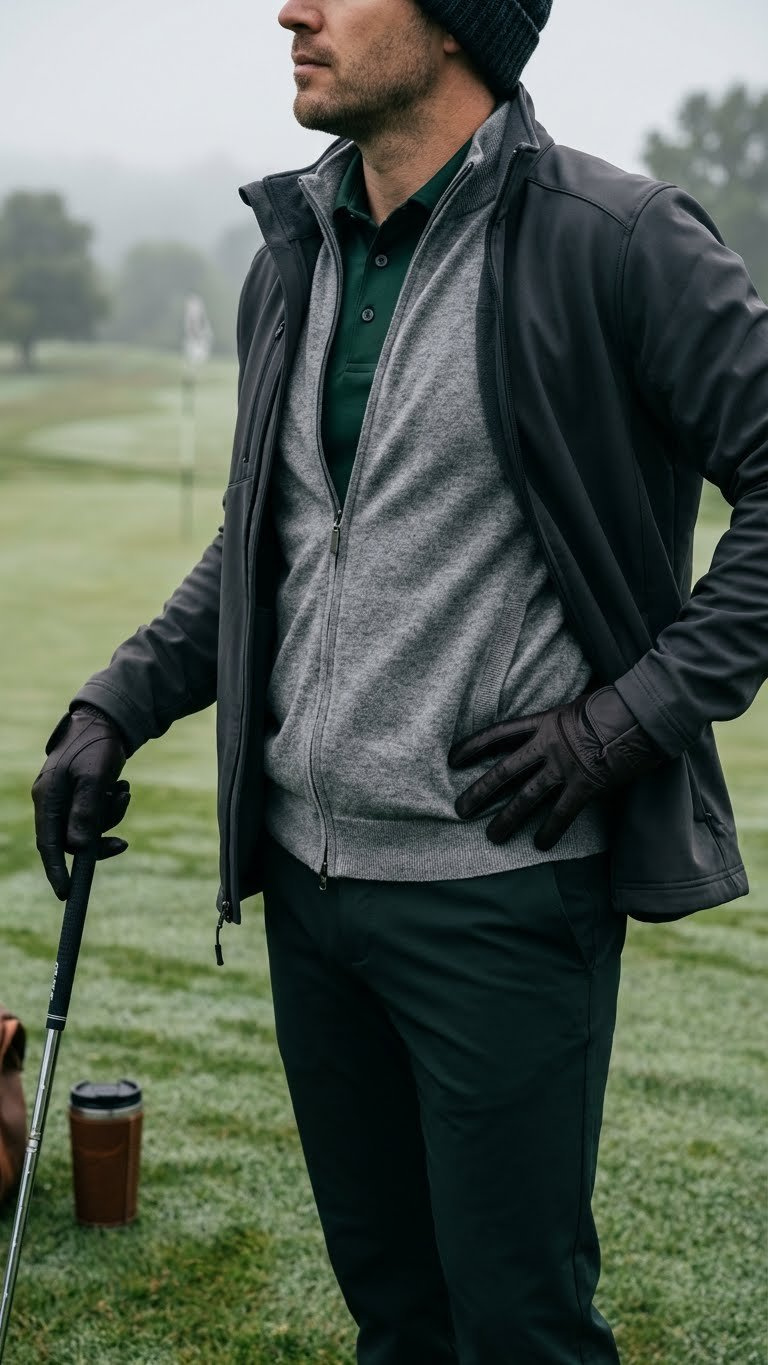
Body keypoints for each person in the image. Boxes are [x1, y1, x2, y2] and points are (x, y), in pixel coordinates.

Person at [32, 0, 767, 1360]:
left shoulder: (616, 241)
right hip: (312, 910)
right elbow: (269, 538)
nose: (291, 9)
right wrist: (117, 699)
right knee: (397, 1323)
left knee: (519, 1331)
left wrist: (634, 717)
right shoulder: (295, 251)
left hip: (502, 902)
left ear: (455, 23)